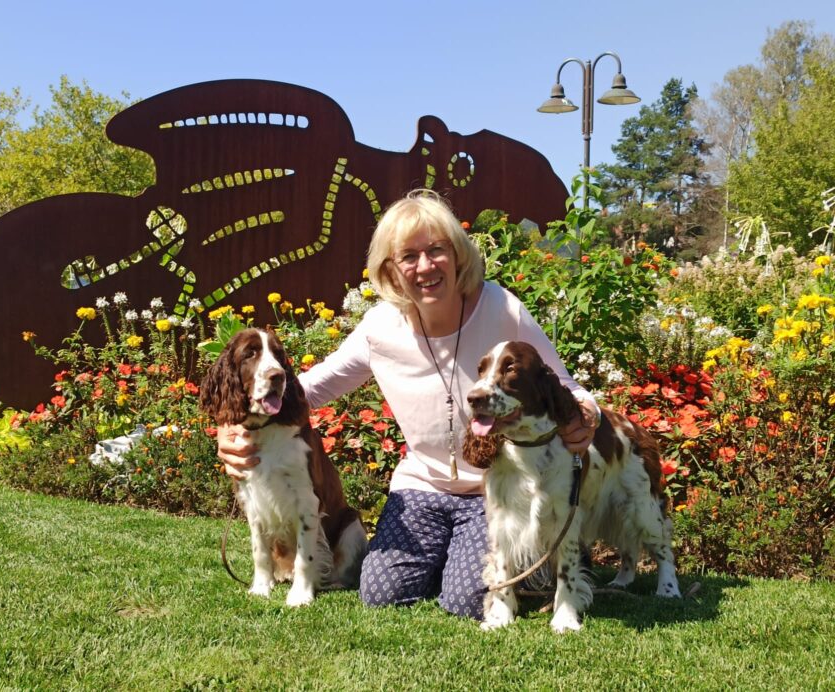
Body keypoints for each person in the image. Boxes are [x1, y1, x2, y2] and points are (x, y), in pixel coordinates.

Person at [216, 189, 599, 619]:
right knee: (380, 590)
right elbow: (307, 390)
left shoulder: (501, 308)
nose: (425, 266)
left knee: (467, 600)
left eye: (437, 250)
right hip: (420, 488)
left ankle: (510, 560)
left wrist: (589, 415)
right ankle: (458, 557)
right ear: (391, 271)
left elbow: (567, 385)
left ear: (457, 255)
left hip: (490, 489)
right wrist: (231, 430)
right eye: (408, 257)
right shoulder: (380, 328)